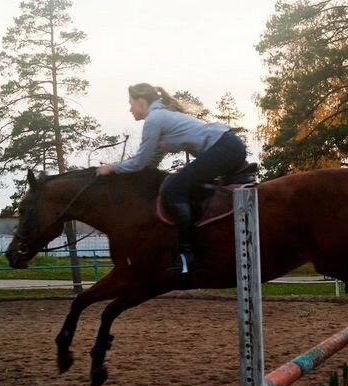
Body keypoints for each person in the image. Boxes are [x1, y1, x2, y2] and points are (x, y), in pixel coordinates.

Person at [96, 83, 247, 274]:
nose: (130, 109)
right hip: (227, 146)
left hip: (225, 148)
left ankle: (188, 254)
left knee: (174, 190)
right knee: (179, 185)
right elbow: (151, 162)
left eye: (131, 103)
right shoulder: (160, 118)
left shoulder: (154, 119)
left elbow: (140, 162)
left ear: (141, 102)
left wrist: (113, 168)